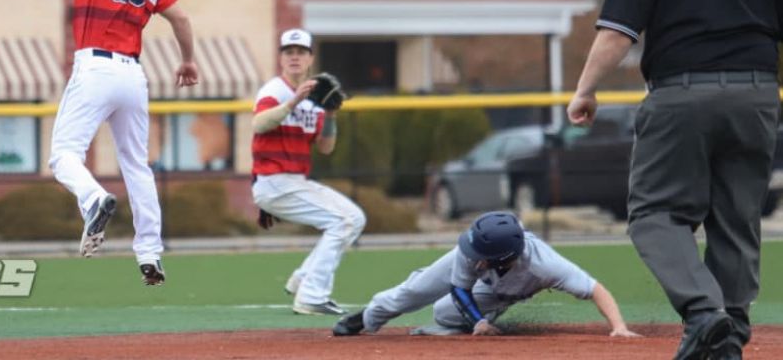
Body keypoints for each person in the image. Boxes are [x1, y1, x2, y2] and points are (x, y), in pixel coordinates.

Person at [567, 0, 783, 360]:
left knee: (655, 213)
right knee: (737, 215)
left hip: (682, 93)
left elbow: (618, 35)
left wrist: (586, 89)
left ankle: (705, 314)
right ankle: (729, 327)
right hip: (756, 96)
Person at [43, 0, 199, 287]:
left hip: (96, 69)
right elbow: (181, 17)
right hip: (134, 76)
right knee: (137, 165)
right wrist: (188, 59)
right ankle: (150, 255)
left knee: (63, 156)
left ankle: (91, 200)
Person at [332, 211, 639, 338]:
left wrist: (619, 327)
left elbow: (595, 288)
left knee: (444, 314)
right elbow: (459, 287)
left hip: (503, 290)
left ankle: (468, 324)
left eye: (481, 256)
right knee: (415, 290)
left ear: (504, 258)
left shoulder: (545, 266)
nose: (472, 255)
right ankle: (367, 318)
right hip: (479, 285)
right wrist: (478, 321)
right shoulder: (471, 250)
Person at [251, 28, 366, 315]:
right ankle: (312, 295)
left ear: (310, 58)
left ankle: (303, 278)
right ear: (281, 58)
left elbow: (325, 148)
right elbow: (259, 124)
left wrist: (331, 115)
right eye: (289, 52)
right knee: (344, 221)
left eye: (300, 52)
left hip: (292, 181)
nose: (294, 57)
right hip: (275, 179)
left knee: (353, 218)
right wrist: (292, 102)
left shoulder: (316, 100)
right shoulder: (274, 90)